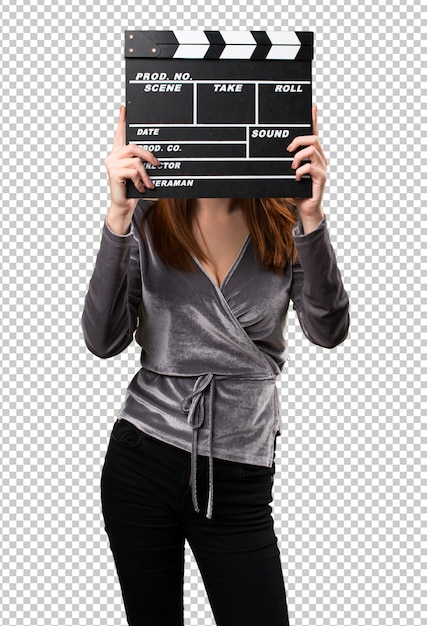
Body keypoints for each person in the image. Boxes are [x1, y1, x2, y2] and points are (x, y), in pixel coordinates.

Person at [82, 104, 349, 626]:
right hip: (143, 457)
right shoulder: (150, 214)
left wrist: (312, 219)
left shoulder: (286, 217)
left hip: (239, 472)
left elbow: (328, 330)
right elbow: (103, 339)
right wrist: (117, 215)